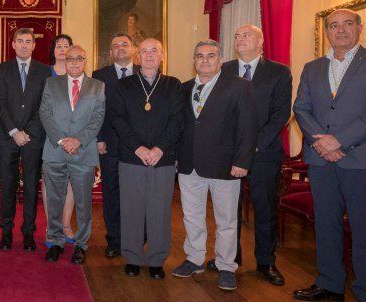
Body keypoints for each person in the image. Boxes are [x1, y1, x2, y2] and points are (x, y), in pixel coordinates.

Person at [292, 9, 366, 302]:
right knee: (325, 224)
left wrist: (339, 141)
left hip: (364, 161)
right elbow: (301, 108)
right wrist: (322, 143)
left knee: (364, 228)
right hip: (320, 160)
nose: (340, 30)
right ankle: (329, 284)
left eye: (347, 24)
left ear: (360, 27)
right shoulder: (312, 68)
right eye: (333, 26)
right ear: (326, 32)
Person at [203, 24, 292, 286]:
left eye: (247, 35)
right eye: (237, 35)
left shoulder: (279, 72)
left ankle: (266, 262)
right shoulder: (223, 69)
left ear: (261, 41)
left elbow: (280, 114)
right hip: (228, 153)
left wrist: (253, 144)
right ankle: (231, 257)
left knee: (264, 209)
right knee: (228, 210)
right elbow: (214, 111)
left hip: (264, 152)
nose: (240, 39)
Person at [171, 39, 257, 291]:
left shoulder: (239, 86)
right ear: (194, 60)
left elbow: (248, 126)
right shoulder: (184, 88)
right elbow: (180, 126)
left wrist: (242, 161)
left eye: (211, 55)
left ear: (221, 60)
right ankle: (195, 258)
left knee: (227, 220)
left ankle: (226, 266)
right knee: (192, 216)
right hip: (189, 164)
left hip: (225, 166)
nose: (205, 60)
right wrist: (176, 156)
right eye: (199, 56)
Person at [111, 38, 183, 279]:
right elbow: (118, 119)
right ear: (137, 57)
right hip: (131, 158)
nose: (149, 55)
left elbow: (177, 121)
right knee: (131, 208)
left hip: (162, 159)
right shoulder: (124, 85)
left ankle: (155, 259)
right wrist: (139, 149)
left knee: (159, 210)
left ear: (162, 56)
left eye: (155, 51)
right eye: (144, 51)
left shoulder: (173, 85)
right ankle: (132, 257)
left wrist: (160, 149)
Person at [40, 45, 105, 264]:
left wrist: (78, 140)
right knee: (55, 199)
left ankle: (81, 244)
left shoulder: (97, 86)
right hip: (55, 150)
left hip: (83, 152)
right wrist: (61, 140)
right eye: (70, 59)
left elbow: (98, 118)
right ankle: (56, 240)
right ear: (64, 61)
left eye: (79, 58)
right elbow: (45, 113)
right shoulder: (52, 83)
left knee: (83, 203)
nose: (75, 62)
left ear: (85, 60)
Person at [0, 28, 52, 252]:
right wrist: (14, 131)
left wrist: (27, 131)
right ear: (13, 44)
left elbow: (44, 106)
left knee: (30, 188)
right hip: (8, 137)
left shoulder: (44, 71)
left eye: (29, 41)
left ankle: (28, 232)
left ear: (34, 45)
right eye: (21, 41)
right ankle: (6, 232)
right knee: (7, 186)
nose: (25, 45)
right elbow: (0, 102)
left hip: (34, 138)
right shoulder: (2, 69)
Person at [91, 33, 139, 258]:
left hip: (138, 147)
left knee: (135, 193)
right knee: (111, 192)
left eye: (124, 44)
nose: (120, 48)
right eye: (115, 45)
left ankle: (135, 238)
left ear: (133, 48)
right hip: (108, 144)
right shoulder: (99, 76)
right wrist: (99, 138)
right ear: (110, 52)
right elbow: (96, 110)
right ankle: (114, 239)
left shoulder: (145, 72)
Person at [43, 34, 77, 247]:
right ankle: (51, 225)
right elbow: (43, 109)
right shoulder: (44, 74)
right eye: (59, 45)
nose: (63, 49)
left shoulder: (80, 74)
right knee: (50, 182)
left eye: (67, 46)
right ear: (53, 50)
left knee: (72, 181)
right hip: (51, 136)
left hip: (75, 139)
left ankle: (65, 224)